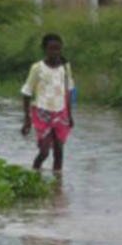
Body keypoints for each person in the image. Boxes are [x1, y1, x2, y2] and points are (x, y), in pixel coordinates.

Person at [21, 33, 75, 172]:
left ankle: (58, 184)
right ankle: (35, 172)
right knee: (44, 151)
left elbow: (68, 91)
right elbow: (27, 92)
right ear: (45, 49)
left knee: (59, 151)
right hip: (42, 112)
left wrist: (70, 115)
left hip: (61, 112)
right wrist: (27, 119)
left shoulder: (65, 67)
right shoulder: (37, 68)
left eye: (58, 49)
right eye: (52, 49)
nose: (55, 52)